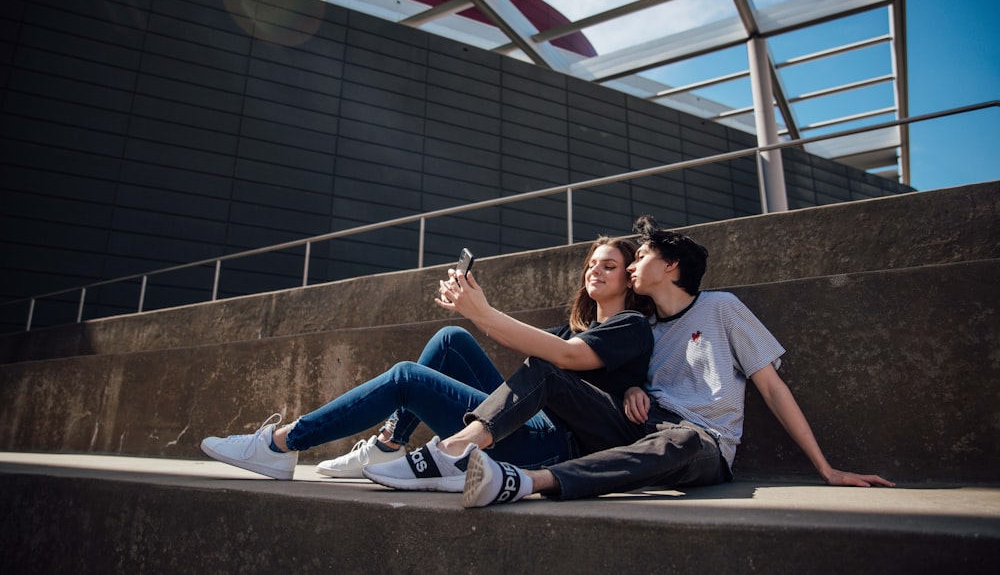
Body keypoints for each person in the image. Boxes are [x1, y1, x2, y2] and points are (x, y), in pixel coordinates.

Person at [367, 214, 894, 506]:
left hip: (701, 444)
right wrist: (628, 392)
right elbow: (608, 372)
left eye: (641, 257)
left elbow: (772, 387)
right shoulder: (644, 328)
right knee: (551, 368)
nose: (634, 262)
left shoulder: (721, 309)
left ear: (670, 266)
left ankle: (522, 482)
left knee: (682, 439)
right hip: (632, 426)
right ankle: (456, 450)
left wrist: (825, 468)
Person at [199, 236, 654, 484]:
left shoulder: (629, 326)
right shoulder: (570, 329)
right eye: (592, 263)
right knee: (451, 337)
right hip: (527, 421)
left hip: (555, 446)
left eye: (609, 265)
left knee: (406, 378)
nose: (595, 269)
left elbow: (566, 358)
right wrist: (473, 311)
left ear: (628, 279)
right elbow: (530, 343)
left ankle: (282, 444)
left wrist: (486, 311)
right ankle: (388, 445)